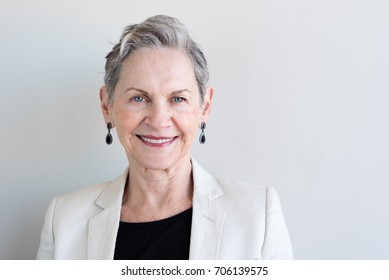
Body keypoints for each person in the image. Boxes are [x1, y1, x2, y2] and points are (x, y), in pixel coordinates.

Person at [36, 15, 293, 260]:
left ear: (204, 107)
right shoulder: (64, 219)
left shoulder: (259, 216)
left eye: (178, 99)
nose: (158, 120)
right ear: (107, 107)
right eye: (139, 98)